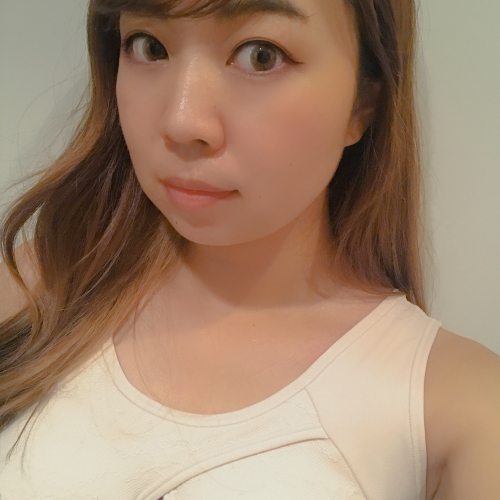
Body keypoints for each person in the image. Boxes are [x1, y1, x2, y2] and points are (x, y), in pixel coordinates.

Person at [0, 0, 499, 498]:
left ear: (363, 101)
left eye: (261, 55)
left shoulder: (460, 410)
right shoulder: (35, 290)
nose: (182, 122)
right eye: (149, 47)